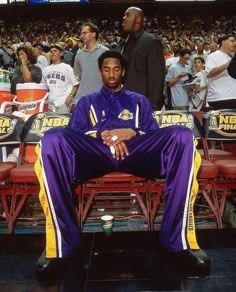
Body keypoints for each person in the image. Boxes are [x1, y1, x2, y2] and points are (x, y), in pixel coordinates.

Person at [35, 50, 210, 275]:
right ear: (100, 72)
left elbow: (152, 134)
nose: (111, 74)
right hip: (96, 154)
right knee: (52, 139)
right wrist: (104, 135)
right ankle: (60, 245)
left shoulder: (139, 101)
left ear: (123, 72)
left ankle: (178, 241)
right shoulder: (86, 101)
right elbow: (75, 135)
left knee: (182, 136)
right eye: (106, 69)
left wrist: (131, 131)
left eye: (116, 69)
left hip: (136, 153)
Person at [115, 7, 165, 111]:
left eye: (128, 15)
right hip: (122, 103)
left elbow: (156, 78)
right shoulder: (123, 43)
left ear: (138, 19)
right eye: (124, 15)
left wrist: (152, 107)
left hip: (141, 105)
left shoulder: (151, 41)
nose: (123, 18)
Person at [73, 22, 109, 104]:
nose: (82, 35)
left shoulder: (105, 52)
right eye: (81, 33)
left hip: (100, 97)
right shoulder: (78, 55)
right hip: (81, 97)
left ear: (93, 34)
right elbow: (77, 76)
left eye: (85, 33)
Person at [42, 44, 79, 112]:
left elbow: (75, 84)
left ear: (61, 53)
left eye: (55, 51)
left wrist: (70, 97)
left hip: (63, 102)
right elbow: (43, 87)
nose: (53, 52)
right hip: (50, 104)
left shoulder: (67, 67)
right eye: (51, 51)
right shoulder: (45, 69)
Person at [205, 34, 236, 109]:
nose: (235, 43)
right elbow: (209, 74)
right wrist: (229, 64)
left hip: (233, 96)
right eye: (232, 41)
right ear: (223, 42)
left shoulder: (231, 57)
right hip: (219, 98)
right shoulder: (213, 56)